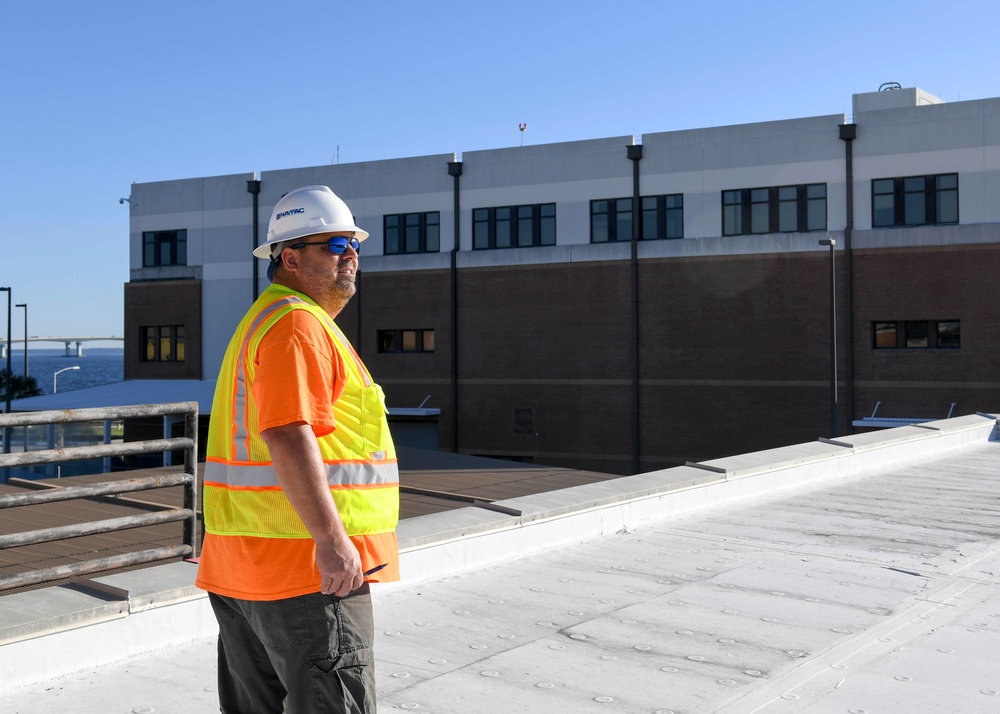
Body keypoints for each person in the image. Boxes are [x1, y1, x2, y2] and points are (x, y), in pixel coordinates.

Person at [196, 185, 399, 714]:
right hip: (305, 572)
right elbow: (286, 431)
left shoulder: (268, 321)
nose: (351, 254)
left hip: (247, 567)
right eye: (335, 245)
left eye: (354, 243)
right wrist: (333, 541)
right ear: (290, 257)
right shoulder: (295, 325)